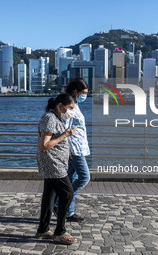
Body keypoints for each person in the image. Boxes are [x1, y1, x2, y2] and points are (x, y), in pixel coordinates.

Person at [36, 93, 78, 245]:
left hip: (57, 162)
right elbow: (44, 146)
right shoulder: (50, 118)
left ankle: (43, 229)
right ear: (60, 105)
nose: (72, 111)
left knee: (50, 196)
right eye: (70, 108)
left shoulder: (56, 117)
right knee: (67, 193)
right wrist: (65, 135)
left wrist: (66, 135)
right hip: (53, 163)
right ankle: (60, 232)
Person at [54, 78, 90, 222]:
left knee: (71, 178)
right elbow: (64, 125)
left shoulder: (75, 105)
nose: (85, 96)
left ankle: (68, 212)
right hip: (74, 148)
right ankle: (58, 203)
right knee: (84, 177)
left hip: (79, 146)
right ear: (76, 92)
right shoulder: (69, 105)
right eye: (84, 93)